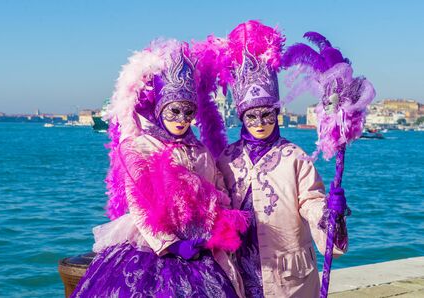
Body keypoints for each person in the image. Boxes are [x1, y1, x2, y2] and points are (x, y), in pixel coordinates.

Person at [71, 39, 247, 298]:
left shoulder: (200, 151)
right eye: (174, 111)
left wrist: (214, 224)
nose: (182, 119)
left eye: (188, 112)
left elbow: (219, 190)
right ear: (160, 109)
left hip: (200, 246)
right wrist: (171, 245)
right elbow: (140, 202)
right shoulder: (140, 146)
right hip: (153, 248)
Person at [216, 20, 348, 298]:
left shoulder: (294, 157)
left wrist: (328, 213)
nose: (260, 122)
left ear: (276, 115)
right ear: (242, 118)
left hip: (288, 277)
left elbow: (310, 202)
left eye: (267, 114)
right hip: (239, 270)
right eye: (252, 116)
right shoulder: (227, 157)